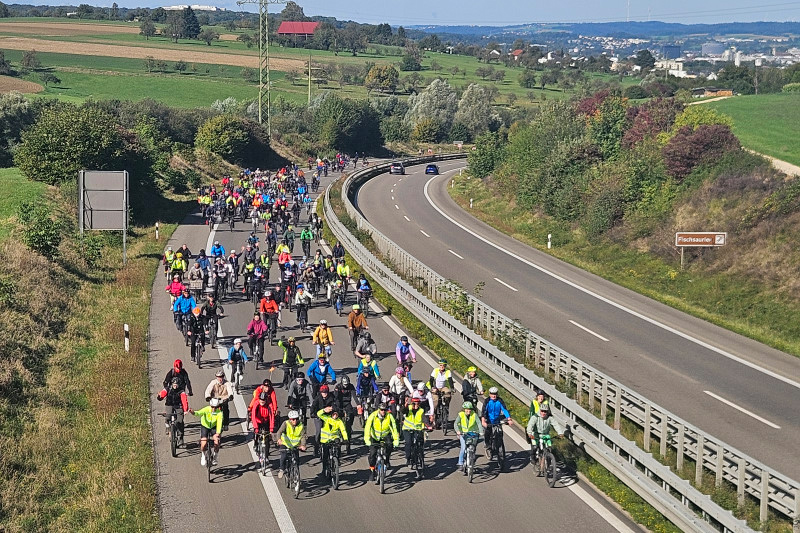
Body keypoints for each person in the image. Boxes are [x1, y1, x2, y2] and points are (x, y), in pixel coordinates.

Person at [364, 402, 399, 483]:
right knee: (372, 454)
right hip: (375, 437)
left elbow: (394, 428)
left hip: (385, 435)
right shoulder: (373, 416)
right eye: (382, 410)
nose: (383, 411)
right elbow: (367, 427)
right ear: (379, 410)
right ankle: (372, 471)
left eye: (385, 410)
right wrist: (367, 439)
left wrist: (396, 439)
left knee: (390, 446)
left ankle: (386, 461)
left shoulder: (389, 416)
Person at [188, 397, 224, 466]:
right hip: (205, 426)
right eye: (212, 407)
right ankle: (203, 456)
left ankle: (215, 457)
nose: (214, 409)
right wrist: (193, 412)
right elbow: (198, 413)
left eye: (216, 407)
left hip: (214, 427)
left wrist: (218, 433)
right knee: (203, 443)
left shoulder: (219, 413)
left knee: (217, 442)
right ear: (210, 406)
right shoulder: (206, 409)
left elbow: (219, 423)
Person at [157, 376, 190, 447]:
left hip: (178, 406)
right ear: (172, 384)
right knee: (168, 417)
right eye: (174, 384)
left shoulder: (181, 391)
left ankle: (181, 438)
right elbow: (162, 394)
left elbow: (184, 401)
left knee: (180, 421)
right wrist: (159, 396)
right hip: (169, 404)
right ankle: (168, 427)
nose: (175, 386)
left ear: (179, 385)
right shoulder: (168, 389)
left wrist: (185, 410)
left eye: (176, 384)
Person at [480, 387, 512, 458]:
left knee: (500, 433)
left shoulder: (500, 401)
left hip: (497, 420)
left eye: (495, 394)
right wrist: (483, 420)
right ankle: (488, 445)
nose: (493, 396)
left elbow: (504, 410)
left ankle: (499, 446)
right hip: (489, 420)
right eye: (492, 394)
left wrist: (509, 419)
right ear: (489, 394)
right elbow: (484, 411)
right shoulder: (487, 401)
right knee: (487, 432)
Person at [275, 409, 307, 479]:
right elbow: (279, 432)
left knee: (297, 460)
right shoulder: (285, 424)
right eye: (293, 419)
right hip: (285, 444)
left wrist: (303, 445)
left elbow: (303, 436)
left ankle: (296, 473)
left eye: (296, 419)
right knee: (283, 457)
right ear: (290, 419)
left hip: (295, 445)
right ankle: (282, 469)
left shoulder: (301, 426)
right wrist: (279, 439)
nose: (294, 421)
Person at [317, 406, 348, 477]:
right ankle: (324, 469)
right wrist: (324, 410)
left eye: (336, 414)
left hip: (334, 438)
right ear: (331, 414)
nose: (335, 416)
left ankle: (336, 460)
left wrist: (345, 439)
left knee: (338, 446)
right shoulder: (327, 419)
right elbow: (319, 414)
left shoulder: (339, 421)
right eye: (333, 414)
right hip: (325, 439)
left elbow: (343, 430)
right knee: (325, 455)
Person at [454, 401, 482, 470]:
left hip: (473, 434)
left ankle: (471, 461)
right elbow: (456, 423)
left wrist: (481, 432)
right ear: (464, 409)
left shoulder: (474, 415)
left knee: (473, 447)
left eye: (470, 409)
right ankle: (460, 462)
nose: (468, 411)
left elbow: (479, 424)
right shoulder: (461, 415)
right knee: (463, 448)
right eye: (467, 409)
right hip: (463, 434)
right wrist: (458, 431)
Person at [310, 384, 336, 456]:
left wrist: (334, 411)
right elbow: (313, 406)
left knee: (334, 430)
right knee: (318, 431)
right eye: (323, 392)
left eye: (326, 392)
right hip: (319, 416)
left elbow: (335, 405)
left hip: (329, 417)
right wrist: (312, 414)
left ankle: (335, 448)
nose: (324, 394)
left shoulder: (332, 397)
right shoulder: (318, 398)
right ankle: (316, 448)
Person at [333, 376, 356, 453]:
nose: (346, 386)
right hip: (339, 404)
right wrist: (338, 408)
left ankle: (348, 444)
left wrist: (358, 404)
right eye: (344, 385)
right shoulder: (338, 387)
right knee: (337, 419)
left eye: (347, 384)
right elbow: (336, 397)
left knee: (351, 415)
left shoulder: (351, 386)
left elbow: (354, 396)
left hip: (347, 404)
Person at [401, 396, 426, 468]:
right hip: (407, 429)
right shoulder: (409, 409)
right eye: (414, 403)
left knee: (420, 443)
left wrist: (429, 425)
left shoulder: (421, 410)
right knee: (409, 443)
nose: (416, 404)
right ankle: (408, 458)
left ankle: (419, 456)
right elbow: (403, 411)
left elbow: (424, 418)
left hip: (417, 429)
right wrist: (405, 405)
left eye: (418, 403)